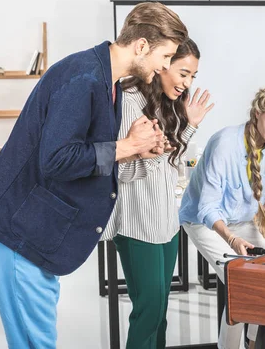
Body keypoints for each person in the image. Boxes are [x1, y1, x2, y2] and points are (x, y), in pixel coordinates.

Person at [0, 1, 188, 348]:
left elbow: (81, 153)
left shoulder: (108, 80)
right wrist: (125, 146)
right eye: (165, 57)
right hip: (19, 228)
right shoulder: (84, 78)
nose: (165, 67)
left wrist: (135, 148)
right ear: (141, 46)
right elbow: (57, 159)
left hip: (38, 228)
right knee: (35, 343)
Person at [102, 38, 213, 349]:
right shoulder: (129, 100)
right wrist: (148, 154)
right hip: (138, 224)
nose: (186, 83)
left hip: (165, 223)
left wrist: (188, 125)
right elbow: (119, 171)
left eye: (192, 76)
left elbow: (171, 160)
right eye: (182, 72)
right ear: (162, 64)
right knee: (148, 311)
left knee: (159, 312)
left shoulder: (166, 103)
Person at [179, 84, 265, 349]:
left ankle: (255, 343)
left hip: (243, 220)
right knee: (242, 283)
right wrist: (233, 241)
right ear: (257, 113)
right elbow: (207, 209)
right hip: (205, 222)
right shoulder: (225, 144)